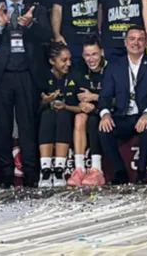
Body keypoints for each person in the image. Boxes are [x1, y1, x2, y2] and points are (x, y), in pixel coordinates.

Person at [0, 0, 52, 188]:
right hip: (0, 77)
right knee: (1, 129)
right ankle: (6, 178)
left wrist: (30, 24)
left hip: (27, 75)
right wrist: (0, 25)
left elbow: (47, 36)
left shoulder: (36, 9)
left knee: (28, 128)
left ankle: (31, 177)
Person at [98, 25, 147, 185]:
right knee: (104, 129)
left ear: (146, 42)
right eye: (132, 39)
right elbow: (105, 95)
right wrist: (105, 114)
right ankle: (120, 171)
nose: (136, 43)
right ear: (125, 42)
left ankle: (141, 173)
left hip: (144, 114)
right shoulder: (114, 65)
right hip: (122, 115)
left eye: (141, 39)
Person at [37, 43, 83, 187]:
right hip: (46, 117)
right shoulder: (42, 76)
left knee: (62, 115)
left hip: (68, 116)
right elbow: (33, 107)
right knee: (48, 115)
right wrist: (45, 101)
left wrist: (66, 106)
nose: (68, 64)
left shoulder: (76, 75)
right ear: (52, 61)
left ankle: (59, 170)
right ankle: (45, 171)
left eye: (70, 59)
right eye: (64, 60)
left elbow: (82, 107)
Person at [67, 35, 107, 187]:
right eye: (87, 55)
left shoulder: (112, 68)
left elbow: (118, 98)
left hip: (107, 111)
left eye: (94, 54)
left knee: (93, 120)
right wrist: (81, 103)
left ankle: (97, 170)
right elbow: (72, 95)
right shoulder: (79, 69)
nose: (91, 59)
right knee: (79, 118)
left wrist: (95, 97)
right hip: (86, 111)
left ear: (102, 52)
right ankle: (79, 169)